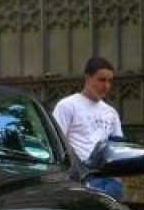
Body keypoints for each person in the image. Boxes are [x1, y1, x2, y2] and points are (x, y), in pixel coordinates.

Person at [53, 56, 125, 199]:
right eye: (101, 80)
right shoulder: (67, 106)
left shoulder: (111, 113)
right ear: (87, 78)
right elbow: (56, 143)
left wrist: (117, 179)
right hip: (79, 178)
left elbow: (118, 148)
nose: (106, 86)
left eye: (110, 81)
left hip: (108, 180)